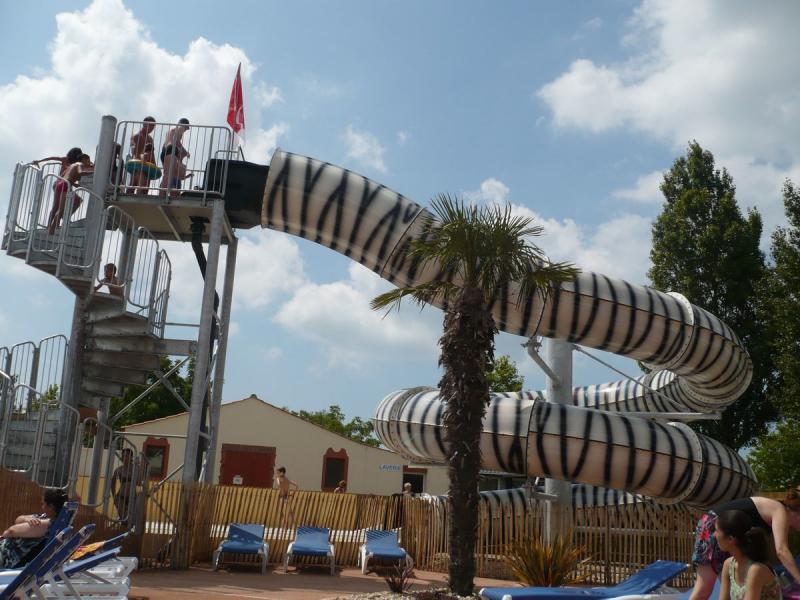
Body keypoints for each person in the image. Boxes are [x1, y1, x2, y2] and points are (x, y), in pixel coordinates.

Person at [690, 488, 800, 600]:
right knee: (703, 590)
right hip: (716, 524)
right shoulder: (780, 511)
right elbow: (782, 551)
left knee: (707, 589)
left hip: (714, 523)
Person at [716, 510, 783, 600]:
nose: (714, 535)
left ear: (730, 539)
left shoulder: (756, 570)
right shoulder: (728, 565)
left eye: (716, 531)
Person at [0, 489, 69, 568]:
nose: (42, 507)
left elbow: (11, 531)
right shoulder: (48, 518)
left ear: (51, 506)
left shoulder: (47, 525)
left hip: (7, 557)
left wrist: (4, 536)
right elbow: (18, 520)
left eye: (43, 504)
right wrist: (26, 519)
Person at [47, 153, 93, 235]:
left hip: (61, 183)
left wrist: (74, 184)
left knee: (59, 209)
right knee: (60, 210)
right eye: (88, 161)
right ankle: (51, 230)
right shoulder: (80, 164)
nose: (89, 163)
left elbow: (66, 175)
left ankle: (51, 228)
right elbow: (81, 172)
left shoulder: (72, 165)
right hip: (65, 185)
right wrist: (93, 171)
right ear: (84, 160)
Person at [159, 118, 191, 194]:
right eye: (186, 128)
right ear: (182, 125)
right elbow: (174, 140)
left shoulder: (176, 131)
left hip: (168, 151)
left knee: (170, 173)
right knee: (168, 173)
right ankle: (162, 194)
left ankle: (164, 193)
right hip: (169, 150)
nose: (186, 130)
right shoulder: (176, 130)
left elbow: (177, 141)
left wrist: (184, 151)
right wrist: (184, 151)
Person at [111, 448, 137, 521]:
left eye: (127, 456)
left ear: (131, 457)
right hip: (121, 497)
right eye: (124, 455)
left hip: (132, 498)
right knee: (123, 518)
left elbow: (139, 482)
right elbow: (112, 483)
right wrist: (114, 496)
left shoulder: (135, 468)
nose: (125, 457)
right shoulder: (119, 469)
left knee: (131, 520)